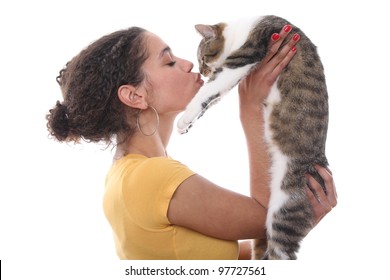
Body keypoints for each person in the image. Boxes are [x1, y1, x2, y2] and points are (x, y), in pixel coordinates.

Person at [46, 24, 337, 260]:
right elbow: (267, 216)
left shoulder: (129, 174)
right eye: (169, 61)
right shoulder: (153, 178)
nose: (187, 64)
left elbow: (234, 263)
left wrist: (299, 225)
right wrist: (250, 108)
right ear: (135, 96)